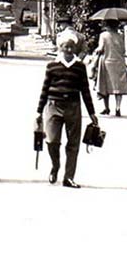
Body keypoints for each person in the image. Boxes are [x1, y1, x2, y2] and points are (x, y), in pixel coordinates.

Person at [35, 31, 98, 188]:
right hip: (53, 106)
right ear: (60, 47)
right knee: (51, 140)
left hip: (73, 107)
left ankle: (68, 177)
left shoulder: (79, 67)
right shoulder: (52, 66)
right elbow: (45, 88)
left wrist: (92, 113)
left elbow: (85, 91)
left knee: (73, 144)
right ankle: (55, 166)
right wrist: (39, 111)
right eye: (66, 47)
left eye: (72, 47)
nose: (69, 50)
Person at [92, 22, 127, 116]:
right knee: (118, 87)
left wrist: (96, 51)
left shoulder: (103, 35)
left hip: (107, 62)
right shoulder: (120, 36)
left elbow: (100, 48)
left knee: (105, 86)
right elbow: (123, 50)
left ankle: (106, 108)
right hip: (119, 62)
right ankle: (118, 108)